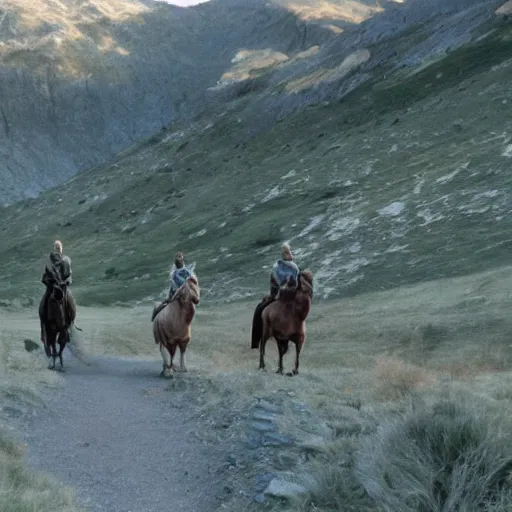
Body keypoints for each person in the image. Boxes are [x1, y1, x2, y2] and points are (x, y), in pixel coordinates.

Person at [39, 240, 73, 343]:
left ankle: (70, 323)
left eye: (59, 247)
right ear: (54, 248)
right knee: (44, 301)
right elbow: (45, 276)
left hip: (63, 287)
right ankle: (43, 328)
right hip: (52, 287)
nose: (58, 249)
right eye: (56, 247)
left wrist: (67, 282)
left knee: (70, 300)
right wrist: (49, 282)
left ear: (62, 249)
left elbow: (69, 275)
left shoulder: (66, 260)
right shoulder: (49, 261)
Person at [151, 252, 194, 321]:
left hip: (178, 291)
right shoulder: (177, 273)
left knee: (167, 301)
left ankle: (157, 310)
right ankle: (157, 310)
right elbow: (182, 283)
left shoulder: (179, 270)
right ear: (181, 262)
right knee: (169, 301)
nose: (182, 261)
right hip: (176, 292)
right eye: (181, 260)